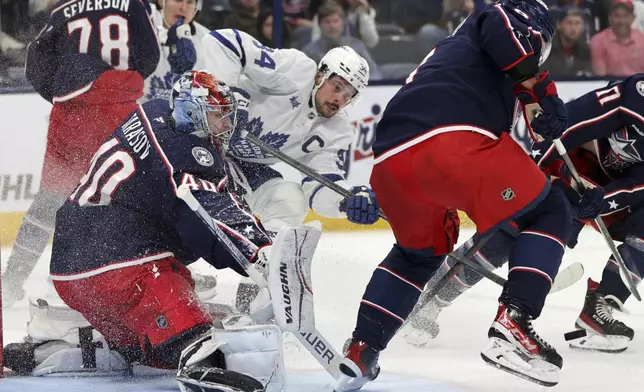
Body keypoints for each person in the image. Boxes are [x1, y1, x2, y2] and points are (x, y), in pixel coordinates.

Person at [333, 0, 604, 389]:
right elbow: (498, 21)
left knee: (417, 256)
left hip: (392, 161)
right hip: (451, 140)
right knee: (548, 214)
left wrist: (568, 183)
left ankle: (363, 350)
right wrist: (542, 90)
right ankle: (516, 322)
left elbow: (518, 161)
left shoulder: (469, 63)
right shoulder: (498, 20)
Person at [4, 71, 284, 392]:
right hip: (115, 262)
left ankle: (65, 342)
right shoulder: (186, 151)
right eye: (216, 116)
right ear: (191, 113)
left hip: (74, 263)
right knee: (171, 291)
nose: (225, 126)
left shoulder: (151, 112)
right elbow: (206, 213)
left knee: (144, 345)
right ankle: (199, 358)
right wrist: (257, 251)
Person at [403, 75, 644, 354]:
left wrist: (601, 200)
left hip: (607, 188)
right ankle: (431, 299)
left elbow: (637, 187)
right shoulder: (637, 93)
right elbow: (568, 125)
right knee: (509, 233)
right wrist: (544, 172)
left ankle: (603, 306)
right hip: (570, 161)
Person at [201, 30, 381, 311]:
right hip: (200, 143)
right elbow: (225, 43)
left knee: (289, 200)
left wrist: (345, 200)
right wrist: (227, 98)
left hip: (241, 167)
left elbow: (321, 185)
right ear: (321, 75)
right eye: (337, 86)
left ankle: (253, 295)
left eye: (348, 95)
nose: (339, 100)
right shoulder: (296, 71)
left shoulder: (336, 130)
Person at [2, 0, 160, 307]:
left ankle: (11, 283)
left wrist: (63, 95)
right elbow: (150, 55)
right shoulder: (135, 4)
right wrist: (121, 85)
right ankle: (127, 276)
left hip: (72, 116)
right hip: (119, 111)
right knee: (122, 197)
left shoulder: (64, 8)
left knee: (50, 200)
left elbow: (35, 62)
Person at [143, 0, 212, 101]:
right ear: (161, 2)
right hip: (141, 111)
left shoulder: (207, 40)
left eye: (189, 2)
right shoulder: (141, 31)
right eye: (177, 0)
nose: (183, 8)